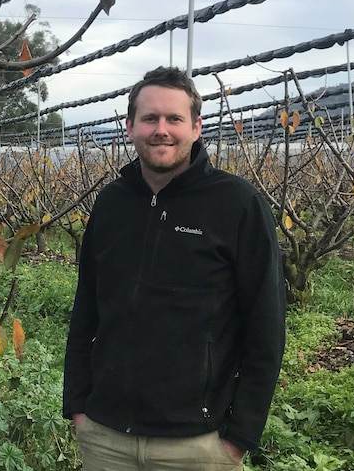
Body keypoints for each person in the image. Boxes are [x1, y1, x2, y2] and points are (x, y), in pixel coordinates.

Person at [63, 66, 286, 470]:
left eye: (174, 119)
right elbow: (86, 311)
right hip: (106, 436)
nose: (161, 129)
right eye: (149, 118)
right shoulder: (111, 204)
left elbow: (266, 327)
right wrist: (78, 405)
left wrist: (238, 438)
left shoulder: (237, 205)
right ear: (130, 126)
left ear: (197, 127)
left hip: (196, 445)